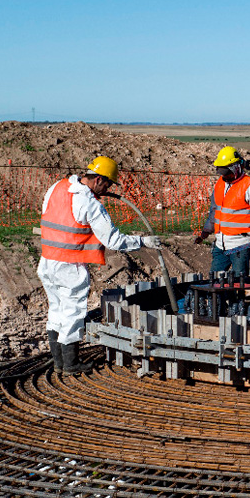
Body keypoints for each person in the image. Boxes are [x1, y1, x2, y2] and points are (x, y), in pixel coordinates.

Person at [38, 156, 161, 375]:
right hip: (69, 267)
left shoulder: (57, 187)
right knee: (72, 314)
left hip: (47, 262)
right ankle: (71, 365)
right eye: (108, 184)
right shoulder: (89, 203)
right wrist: (143, 241)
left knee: (56, 311)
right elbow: (113, 240)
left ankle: (58, 362)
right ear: (99, 180)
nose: (108, 189)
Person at [195, 146, 250, 277]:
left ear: (236, 168)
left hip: (240, 246)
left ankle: (238, 298)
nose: (224, 176)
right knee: (215, 281)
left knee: (238, 282)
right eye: (222, 172)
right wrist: (207, 230)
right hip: (220, 245)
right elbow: (215, 211)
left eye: (227, 173)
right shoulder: (220, 185)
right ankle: (220, 298)